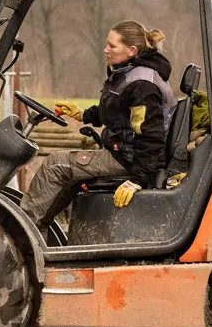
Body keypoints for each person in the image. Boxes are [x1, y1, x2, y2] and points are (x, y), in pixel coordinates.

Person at [19, 21, 177, 229]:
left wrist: (139, 179)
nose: (106, 50)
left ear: (131, 50)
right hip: (125, 153)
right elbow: (118, 111)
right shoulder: (129, 74)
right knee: (67, 174)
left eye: (112, 46)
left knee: (56, 165)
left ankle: (20, 230)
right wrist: (83, 114)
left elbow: (150, 136)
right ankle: (38, 229)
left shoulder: (142, 85)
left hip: (130, 160)